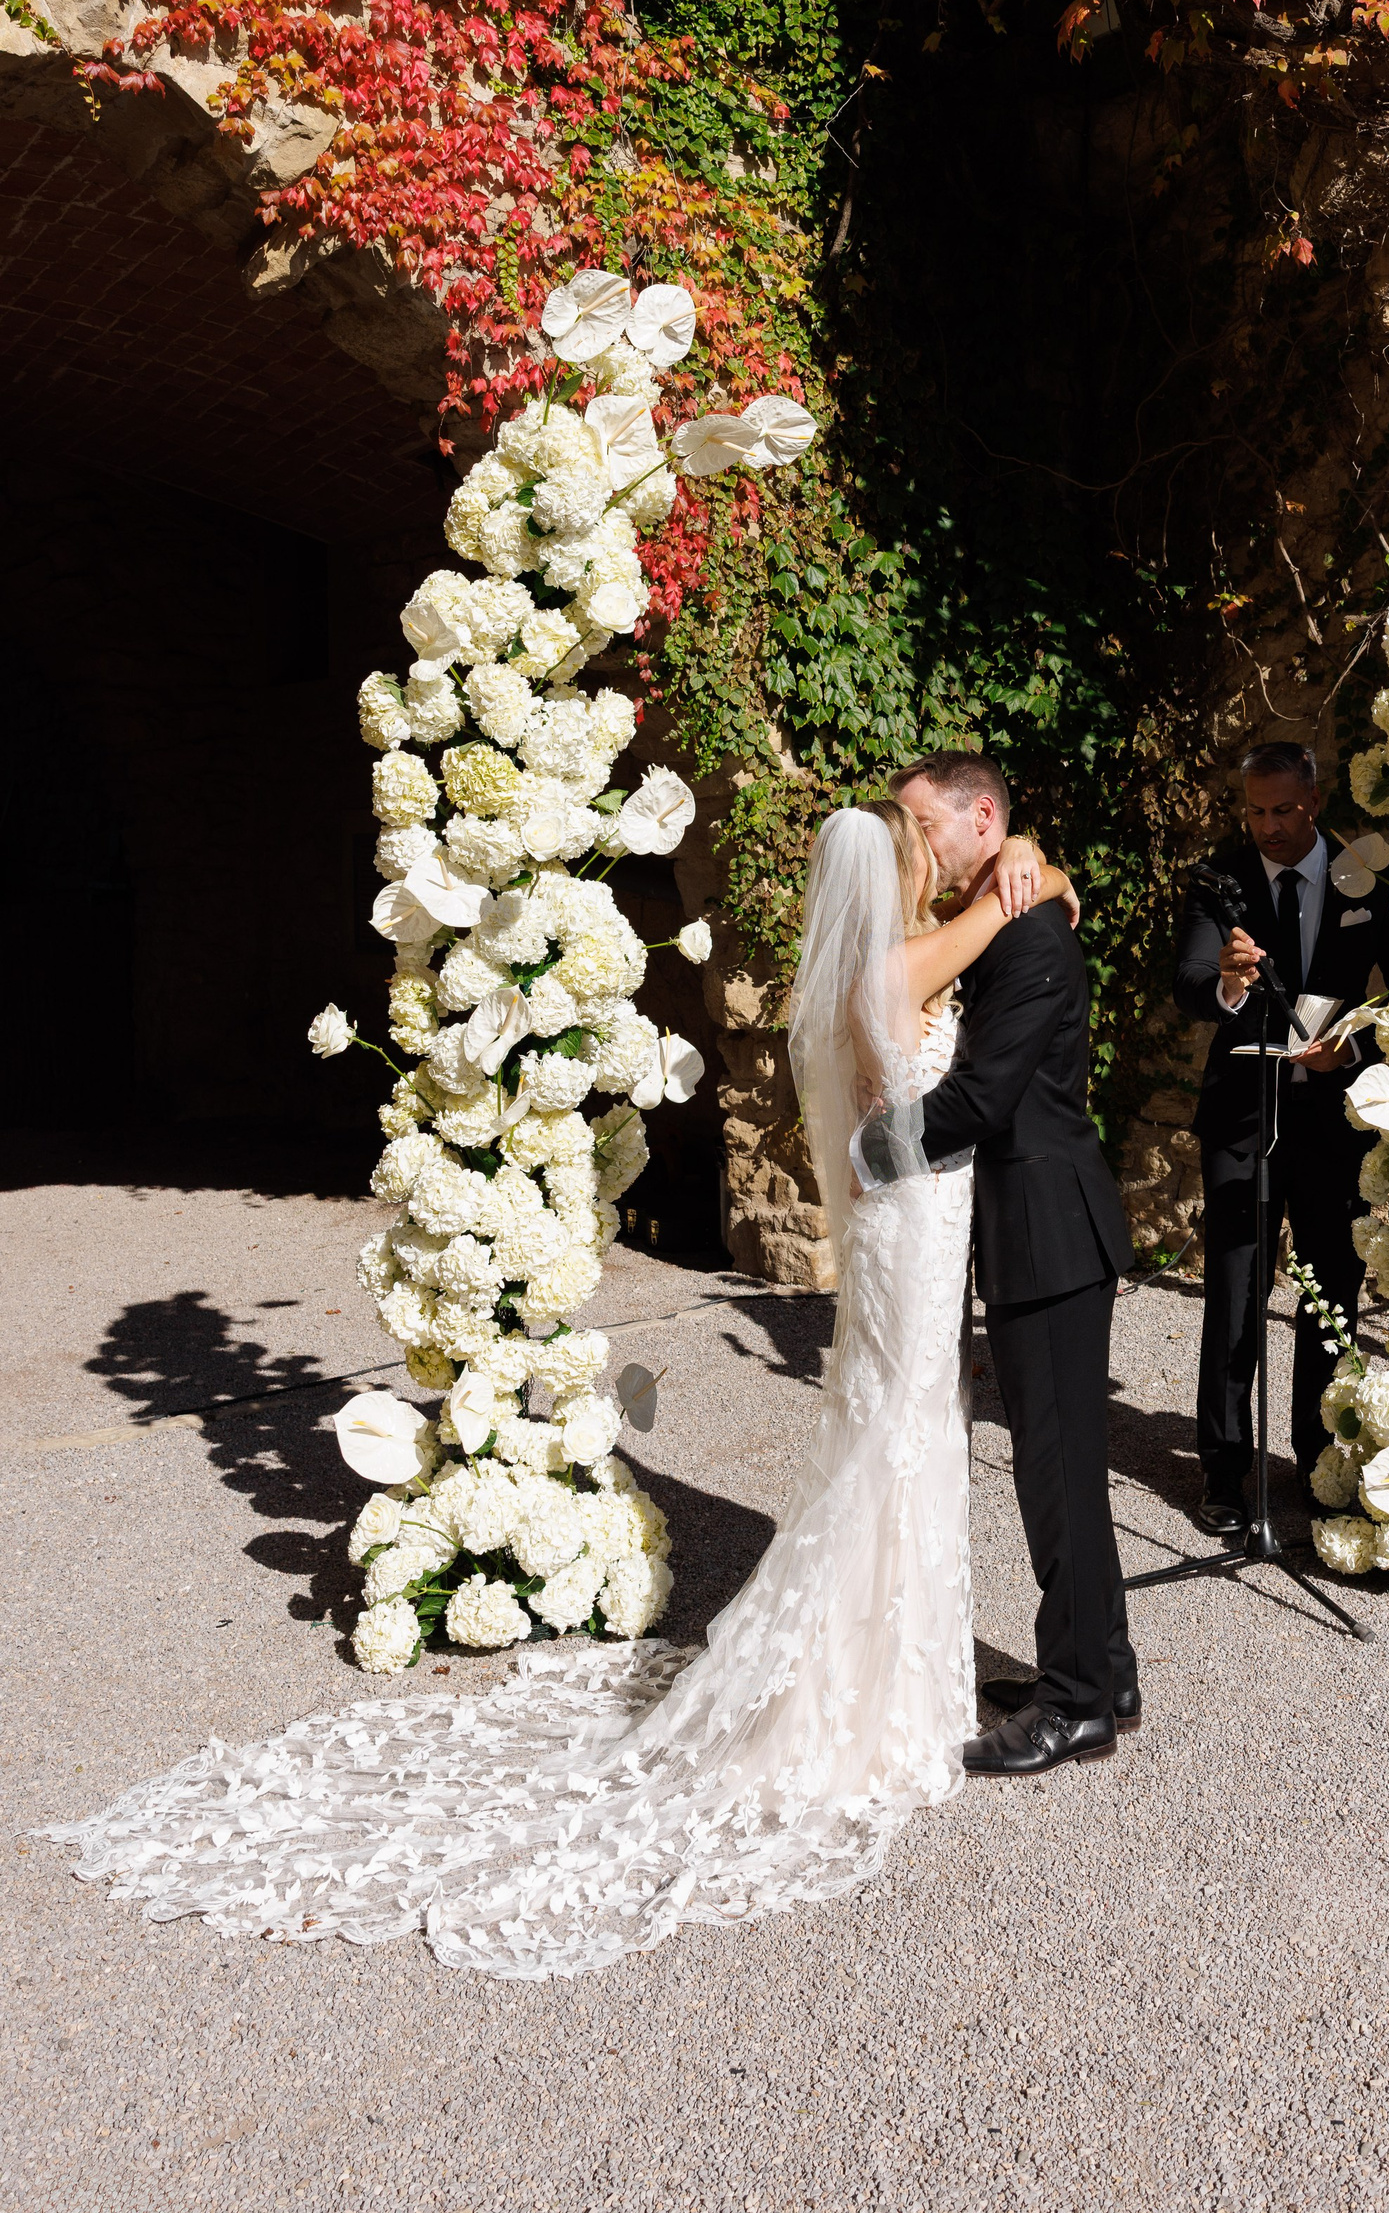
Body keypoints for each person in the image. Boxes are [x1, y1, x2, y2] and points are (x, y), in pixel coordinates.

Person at [53, 801, 1075, 1979]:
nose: (946, 862)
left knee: (908, 1425)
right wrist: (1032, 874)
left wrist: (1026, 871)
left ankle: (900, 1673)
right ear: (898, 874)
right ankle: (875, 1694)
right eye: (926, 852)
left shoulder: (899, 951)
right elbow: (1001, 916)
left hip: (923, 1221)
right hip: (912, 1226)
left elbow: (987, 919)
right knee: (899, 1429)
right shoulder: (895, 965)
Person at [857, 750, 1139, 1778]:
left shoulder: (1030, 938)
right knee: (1064, 1470)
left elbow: (983, 1098)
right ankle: (1107, 1671)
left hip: (1049, 1234)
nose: (919, 844)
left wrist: (867, 1151)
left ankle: (1076, 1705)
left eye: (928, 824)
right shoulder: (1007, 911)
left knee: (1057, 1476)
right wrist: (1037, 860)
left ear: (982, 817)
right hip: (1034, 1231)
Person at [1171, 741, 1389, 1537]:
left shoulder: (1365, 877)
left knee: (1331, 1288)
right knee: (1235, 1287)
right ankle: (1224, 1469)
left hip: (1334, 1119)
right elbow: (1189, 982)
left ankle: (1318, 1458)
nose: (1268, 826)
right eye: (1256, 811)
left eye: (1283, 810)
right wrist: (1230, 982)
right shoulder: (1221, 880)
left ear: (1314, 801)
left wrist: (1356, 1048)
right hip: (1243, 1117)